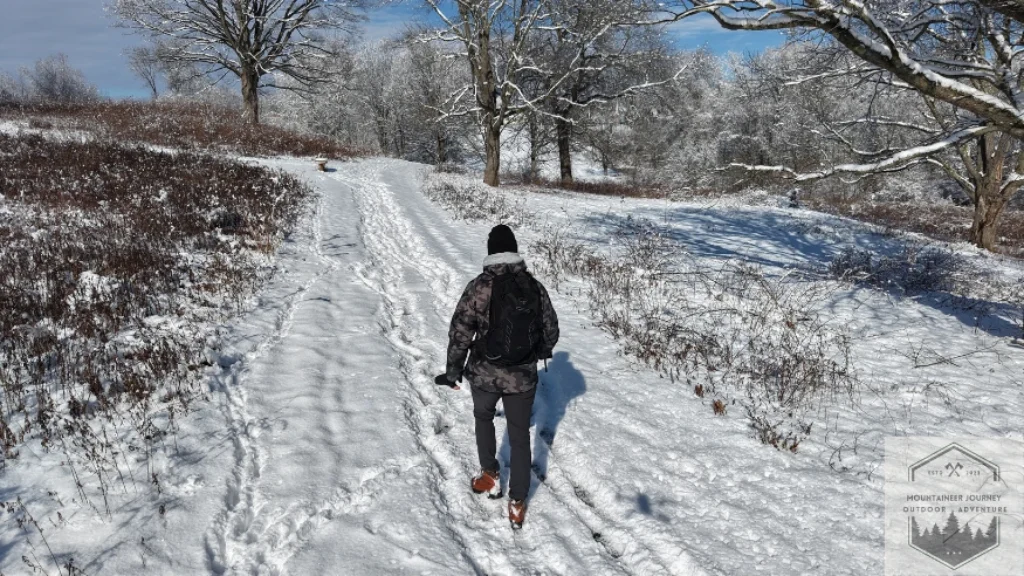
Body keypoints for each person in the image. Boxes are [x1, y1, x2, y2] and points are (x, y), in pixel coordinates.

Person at [435, 224, 559, 529]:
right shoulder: (534, 287)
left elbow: (460, 332)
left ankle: (489, 474)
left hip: (484, 374)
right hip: (522, 377)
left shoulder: (479, 286)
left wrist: (453, 371)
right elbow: (551, 330)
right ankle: (517, 501)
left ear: (490, 252)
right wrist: (535, 352)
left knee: (483, 418)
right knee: (519, 435)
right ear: (514, 250)